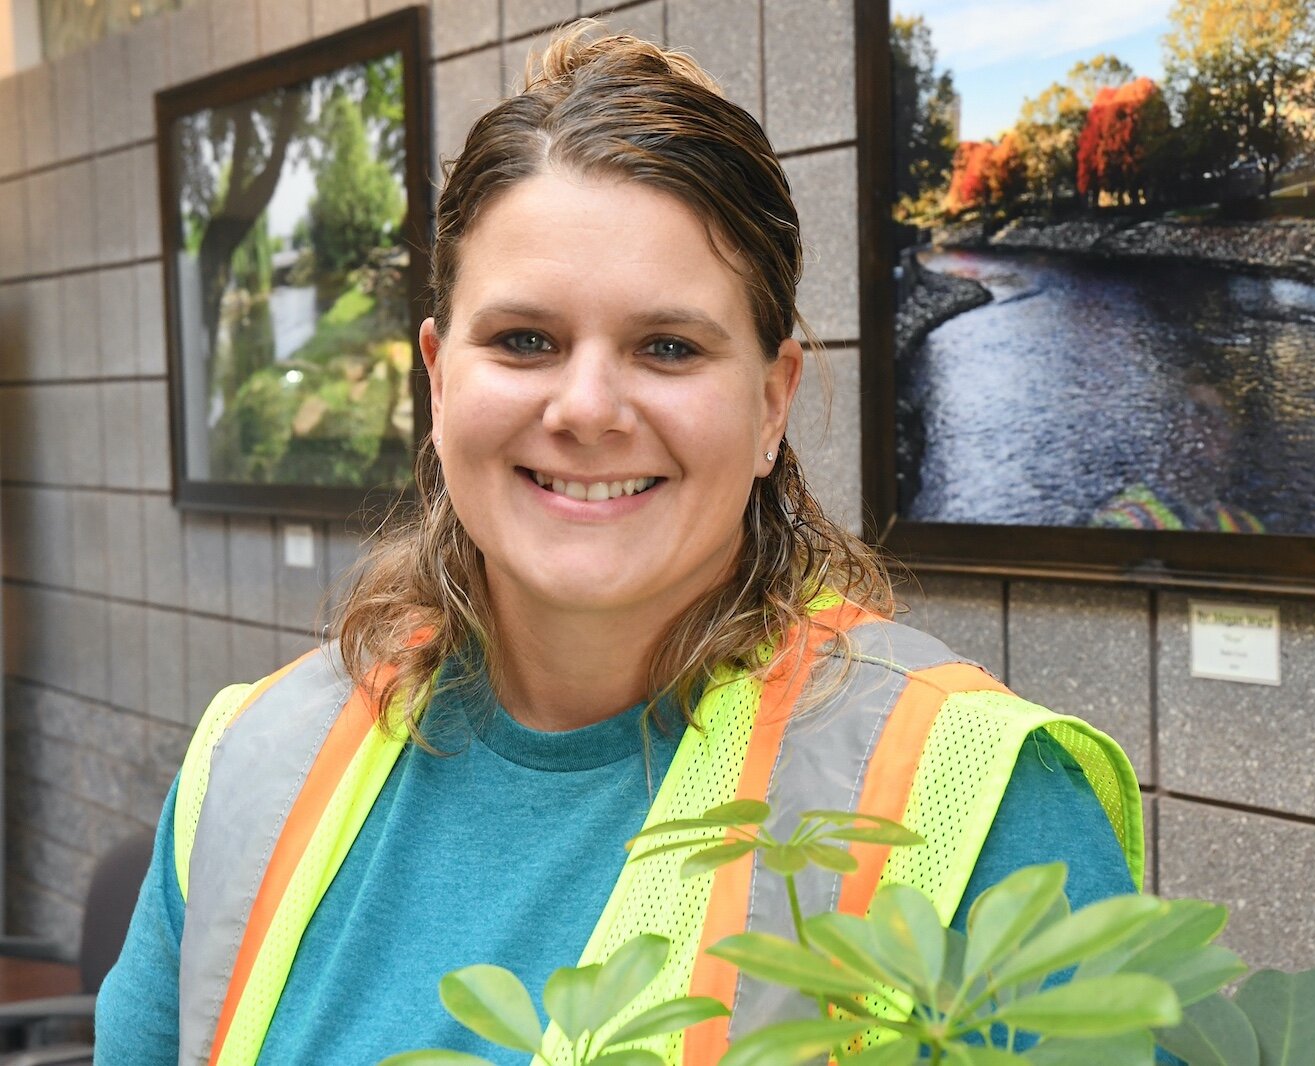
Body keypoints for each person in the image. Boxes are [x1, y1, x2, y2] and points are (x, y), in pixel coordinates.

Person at [96, 23, 1144, 1066]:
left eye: (667, 347)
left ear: (771, 402)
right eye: (523, 341)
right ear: (437, 374)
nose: (586, 407)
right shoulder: (251, 762)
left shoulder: (981, 807)